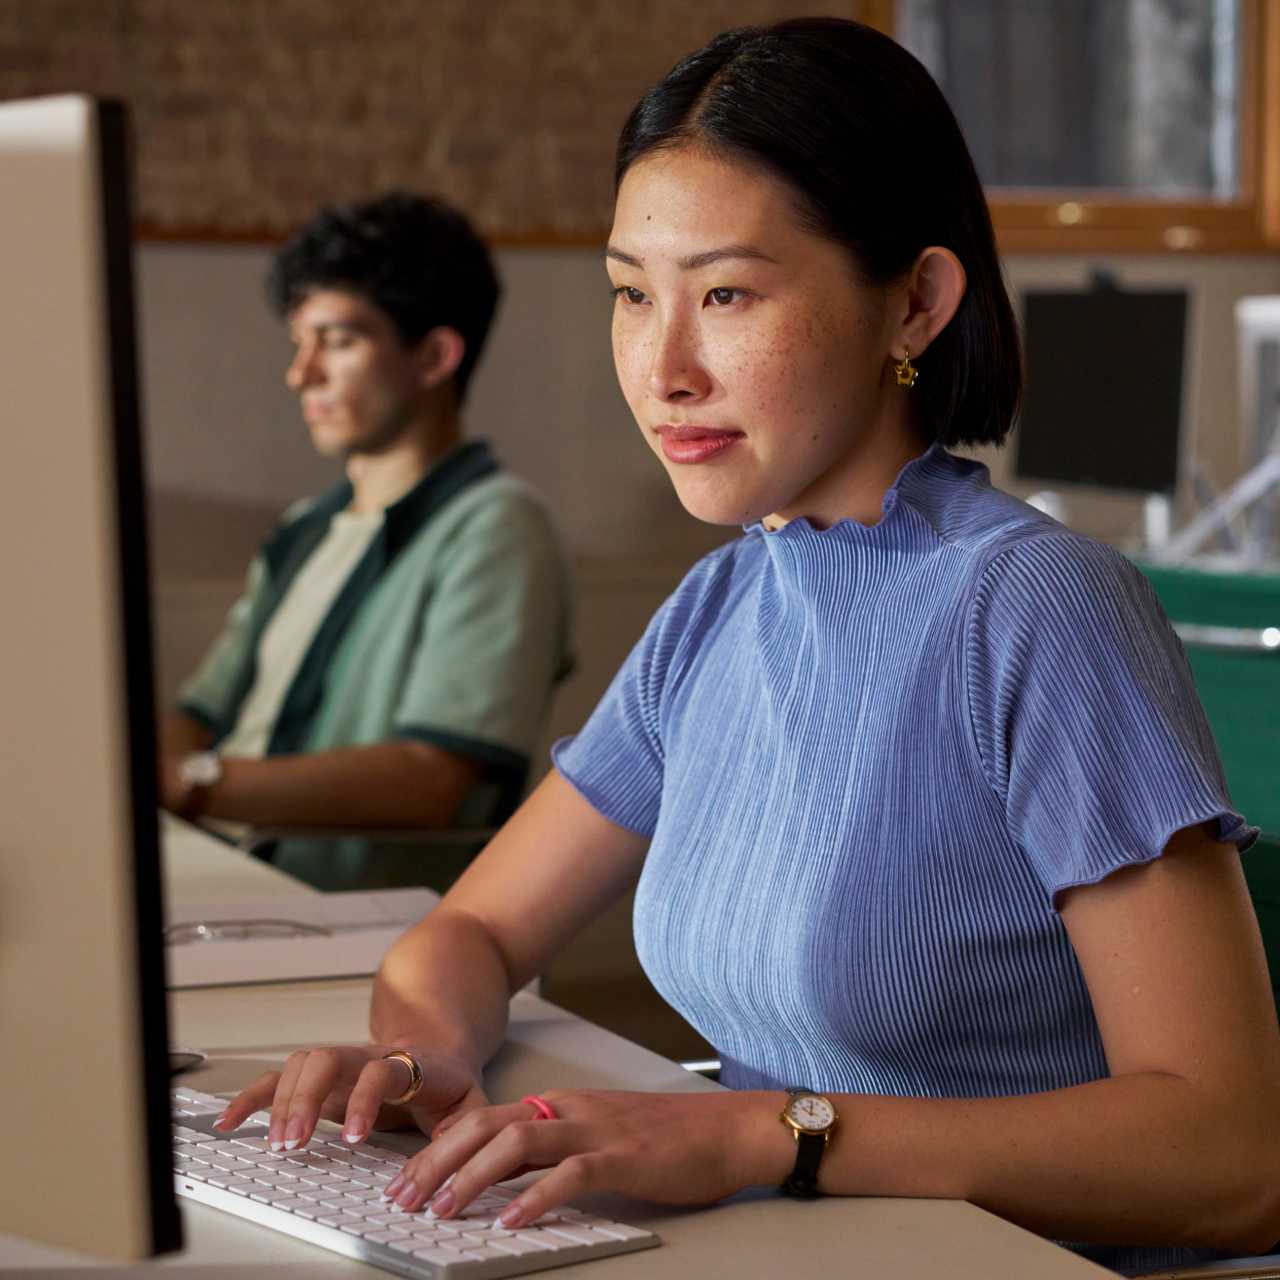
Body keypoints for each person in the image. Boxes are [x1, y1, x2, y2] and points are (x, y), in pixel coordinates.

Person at [217, 20, 1280, 1273]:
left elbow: (1230, 1158)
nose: (662, 368)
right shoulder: (720, 605)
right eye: (630, 294)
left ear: (916, 301)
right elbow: (469, 934)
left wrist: (767, 1135)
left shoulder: (1033, 606)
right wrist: (422, 1057)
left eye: (724, 294)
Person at [160, 192, 572, 892]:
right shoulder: (306, 527)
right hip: (220, 874)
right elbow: (198, 712)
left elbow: (428, 781)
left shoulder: (497, 526)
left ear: (435, 356)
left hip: (337, 914)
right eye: (300, 343)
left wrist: (192, 785)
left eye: (339, 341)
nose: (301, 374)